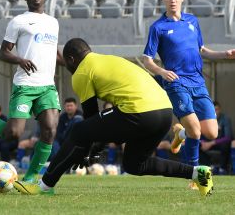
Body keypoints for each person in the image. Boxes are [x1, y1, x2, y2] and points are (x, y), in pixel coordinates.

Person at [13, 38, 214, 197]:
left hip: (139, 110)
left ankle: (45, 185)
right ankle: (198, 173)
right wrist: (92, 150)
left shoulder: (82, 71)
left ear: (72, 60)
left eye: (67, 64)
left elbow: (91, 120)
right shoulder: (110, 59)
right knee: (135, 164)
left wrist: (89, 152)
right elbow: (98, 127)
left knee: (77, 130)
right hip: (164, 113)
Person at [142, 0, 235, 188]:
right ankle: (194, 175)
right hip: (176, 83)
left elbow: (202, 50)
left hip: (198, 83)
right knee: (195, 129)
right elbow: (147, 59)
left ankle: (179, 133)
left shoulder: (192, 21)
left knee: (211, 132)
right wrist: (162, 71)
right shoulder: (158, 27)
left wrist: (225, 54)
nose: (172, 0)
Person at [0, 0, 63, 184]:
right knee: (13, 133)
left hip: (47, 86)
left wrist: (75, 64)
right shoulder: (18, 21)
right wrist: (20, 59)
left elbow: (54, 53)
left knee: (50, 130)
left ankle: (30, 179)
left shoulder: (53, 22)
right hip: (25, 85)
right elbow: (3, 52)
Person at [199, 101, 233, 174]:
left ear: (220, 109)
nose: (215, 112)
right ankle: (209, 166)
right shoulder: (205, 119)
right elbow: (199, 134)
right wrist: (202, 142)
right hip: (207, 143)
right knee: (197, 145)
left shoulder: (225, 119)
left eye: (216, 109)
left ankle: (222, 168)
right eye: (213, 110)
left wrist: (211, 143)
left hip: (220, 144)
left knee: (226, 144)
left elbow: (228, 137)